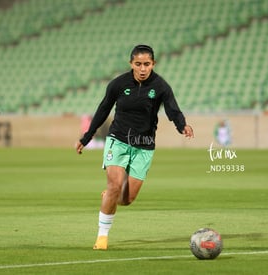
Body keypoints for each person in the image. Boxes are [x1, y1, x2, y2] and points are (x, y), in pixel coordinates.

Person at [75, 44, 194, 250]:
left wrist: (182, 125)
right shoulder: (118, 84)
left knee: (127, 199)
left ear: (153, 64)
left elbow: (173, 110)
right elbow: (103, 109)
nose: (142, 68)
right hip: (118, 140)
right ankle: (102, 237)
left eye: (146, 64)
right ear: (131, 64)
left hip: (144, 146)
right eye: (138, 64)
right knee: (114, 185)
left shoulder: (161, 86)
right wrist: (87, 137)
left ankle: (110, 197)